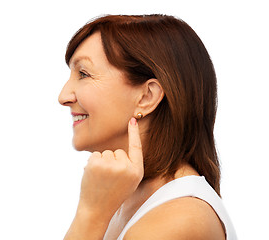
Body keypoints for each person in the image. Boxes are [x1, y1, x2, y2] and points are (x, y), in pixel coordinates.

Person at [58, 14, 237, 240]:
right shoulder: (126, 200)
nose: (63, 96)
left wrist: (90, 214)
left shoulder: (179, 219)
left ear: (147, 96)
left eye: (84, 73)